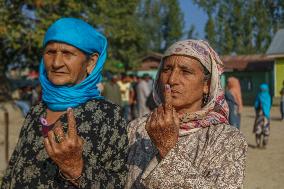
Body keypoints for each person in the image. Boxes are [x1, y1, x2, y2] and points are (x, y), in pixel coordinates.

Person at [1, 18, 128, 188]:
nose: (56, 63)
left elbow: (117, 182)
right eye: (50, 52)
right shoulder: (37, 111)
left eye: (67, 53)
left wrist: (76, 168)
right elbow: (13, 170)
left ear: (91, 62)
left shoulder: (108, 116)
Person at [126, 39, 247, 188]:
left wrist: (167, 148)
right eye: (167, 70)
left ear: (206, 85)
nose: (172, 79)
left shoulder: (226, 139)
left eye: (186, 71)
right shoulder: (136, 128)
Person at [253, 83, 272, 149]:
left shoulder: (259, 96)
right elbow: (269, 106)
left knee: (258, 130)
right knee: (266, 130)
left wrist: (257, 109)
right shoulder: (268, 96)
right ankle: (264, 145)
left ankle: (258, 144)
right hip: (267, 116)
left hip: (259, 116)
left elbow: (256, 105)